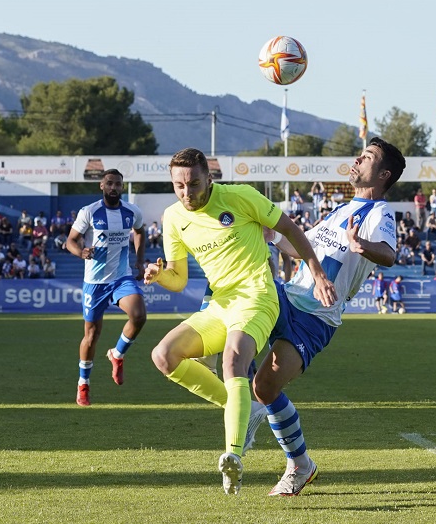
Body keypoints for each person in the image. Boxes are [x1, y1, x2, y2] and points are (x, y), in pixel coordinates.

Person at [143, 147, 336, 496]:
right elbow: (179, 279)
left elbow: (290, 230)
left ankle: (232, 455)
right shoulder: (173, 218)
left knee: (234, 361)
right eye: (179, 186)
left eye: (194, 184)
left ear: (209, 178)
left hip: (257, 296)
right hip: (220, 304)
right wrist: (159, 275)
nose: (187, 193)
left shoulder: (242, 197)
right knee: (163, 356)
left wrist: (317, 271)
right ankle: (245, 409)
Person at [252, 136, 404, 496]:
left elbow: (388, 254)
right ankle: (245, 407)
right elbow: (300, 247)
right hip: (288, 297)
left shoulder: (380, 213)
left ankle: (300, 465)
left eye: (366, 157)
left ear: (383, 174)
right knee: (238, 309)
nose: (356, 159)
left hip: (316, 317)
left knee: (265, 386)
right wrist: (271, 235)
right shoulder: (339, 209)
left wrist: (361, 244)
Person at [65, 169, 147, 407]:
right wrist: (81, 252)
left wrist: (140, 260)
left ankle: (117, 354)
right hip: (95, 283)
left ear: (122, 187)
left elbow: (140, 232)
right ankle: (83, 383)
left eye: (118, 184)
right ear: (102, 186)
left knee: (139, 315)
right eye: (109, 183)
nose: (114, 187)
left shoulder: (132, 212)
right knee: (91, 335)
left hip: (122, 278)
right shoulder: (89, 212)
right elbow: (70, 240)